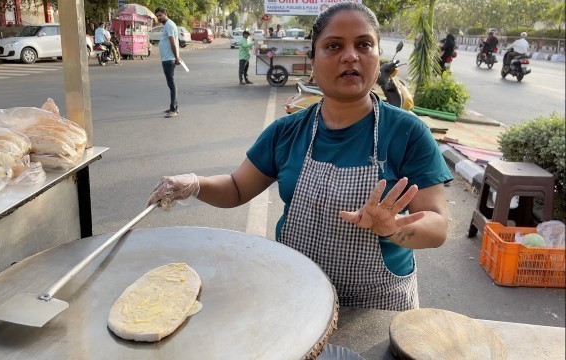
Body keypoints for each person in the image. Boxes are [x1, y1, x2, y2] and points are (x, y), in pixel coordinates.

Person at [147, 2, 452, 311]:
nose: (350, 55)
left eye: (364, 45)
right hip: (297, 296)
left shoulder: (408, 133)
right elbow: (237, 188)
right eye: (334, 46)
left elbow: (437, 226)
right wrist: (194, 184)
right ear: (313, 61)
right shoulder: (286, 132)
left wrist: (394, 227)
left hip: (375, 310)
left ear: (377, 58)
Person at [155, 6, 181, 118]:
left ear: (166, 14)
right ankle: (173, 106)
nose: (159, 18)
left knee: (171, 84)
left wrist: (176, 57)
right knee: (171, 84)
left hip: (169, 59)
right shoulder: (168, 25)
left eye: (160, 15)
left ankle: (174, 109)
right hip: (167, 58)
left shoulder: (169, 25)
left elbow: (173, 42)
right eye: (157, 16)